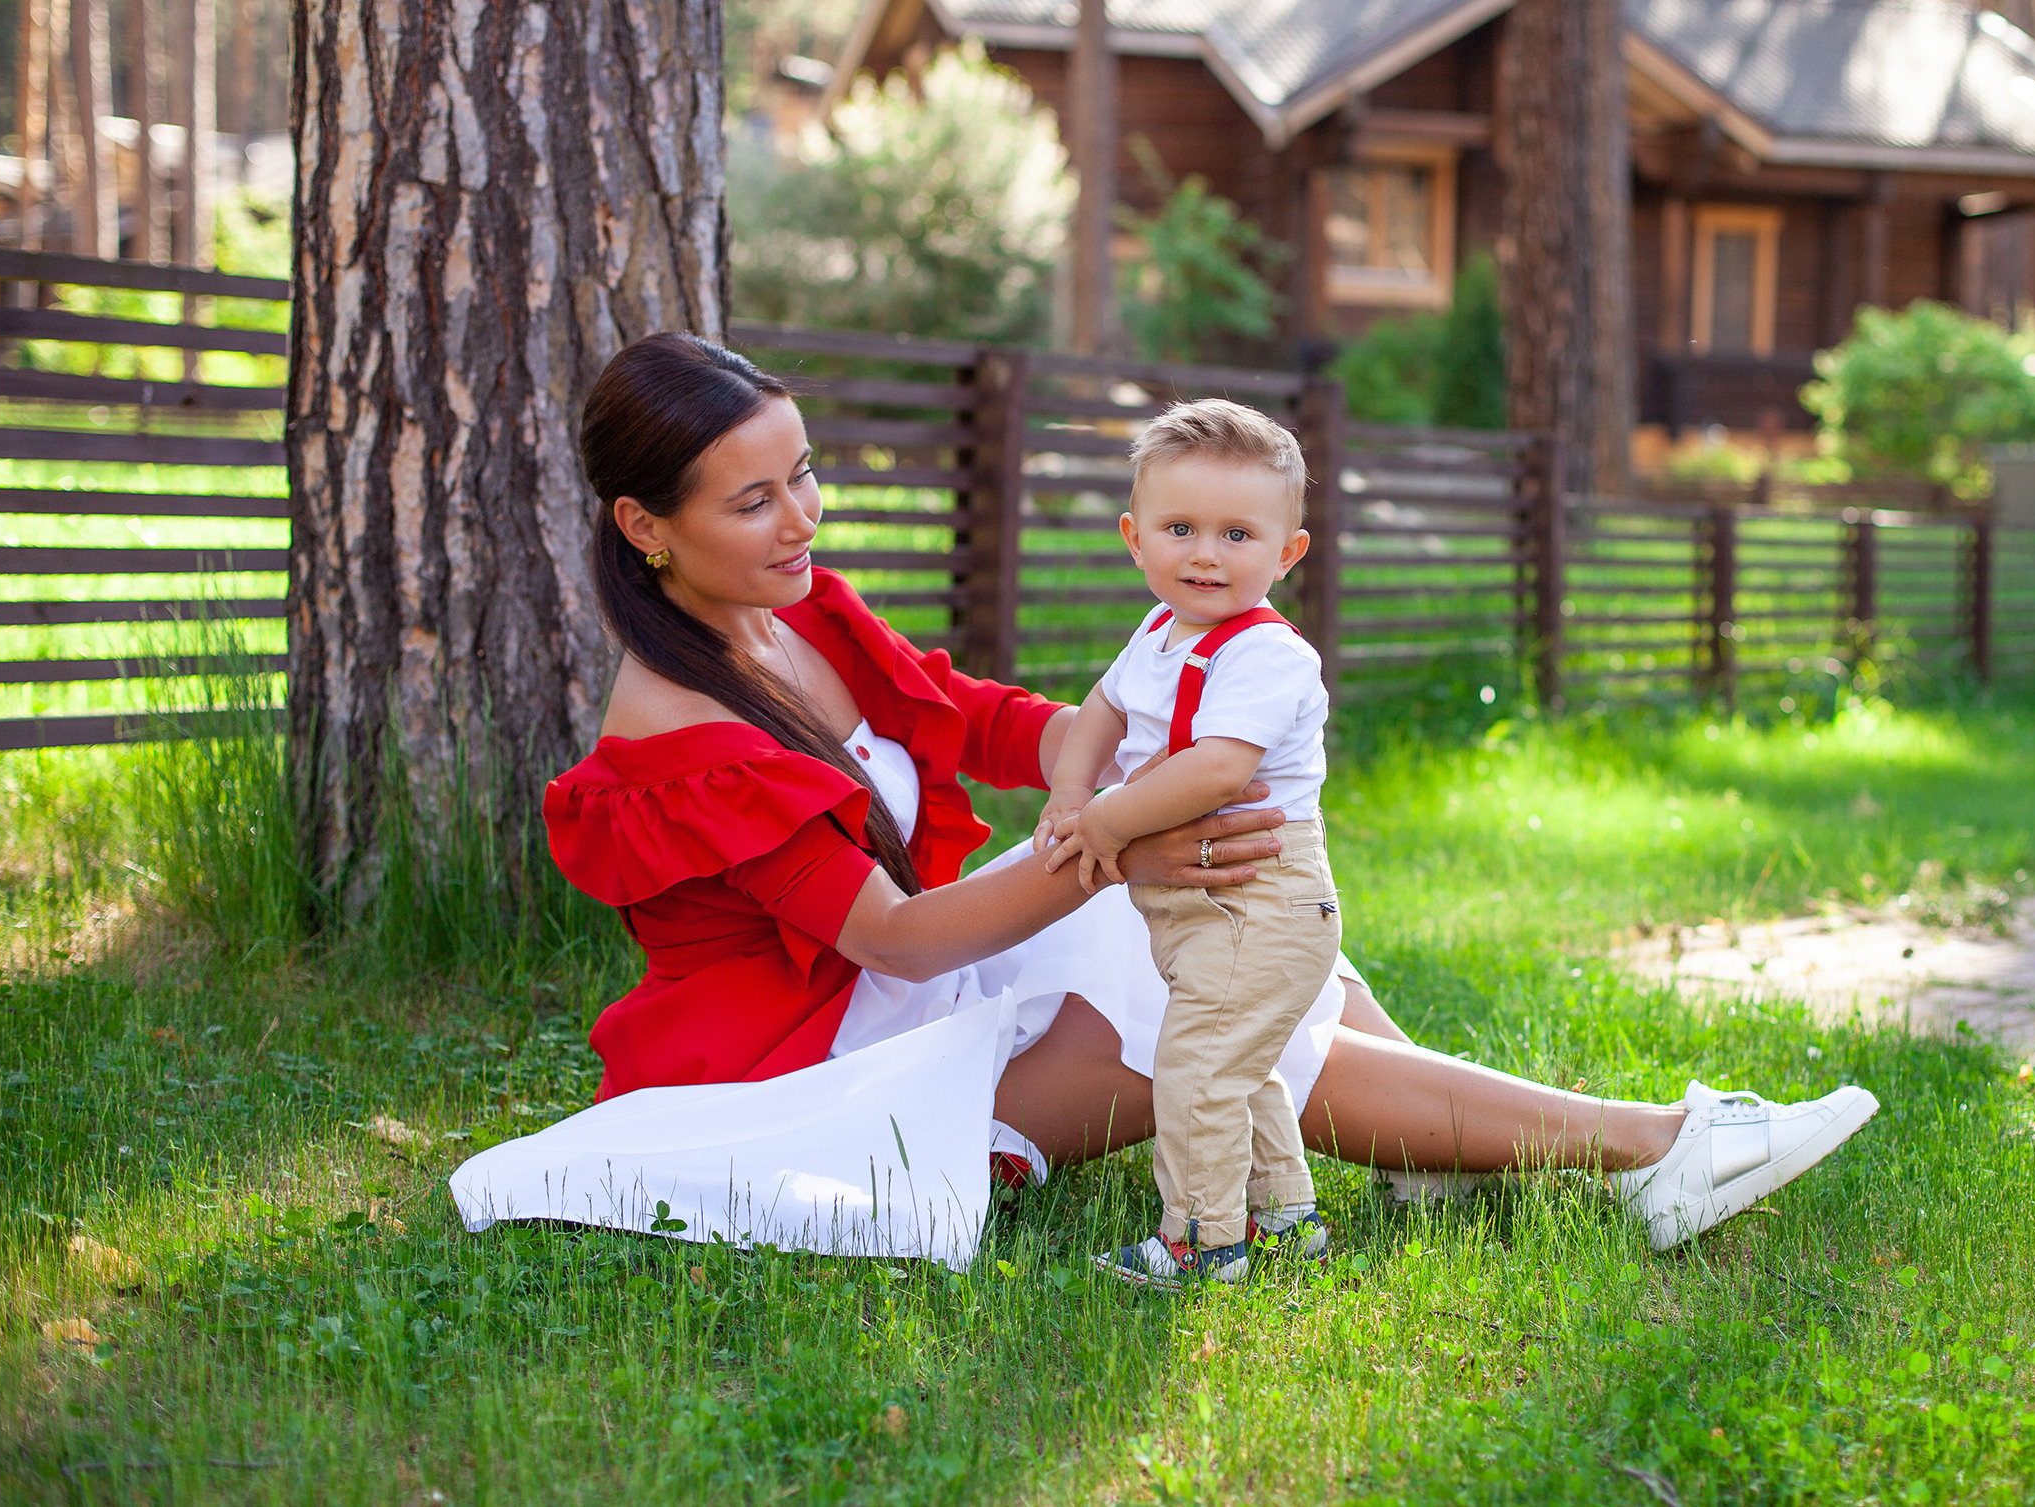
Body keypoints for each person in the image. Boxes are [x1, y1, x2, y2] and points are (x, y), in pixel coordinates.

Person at [447, 332, 1878, 1269]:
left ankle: (1502, 1151)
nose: (802, 518)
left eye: (802, 474)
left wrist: (1115, 749)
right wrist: (1128, 843)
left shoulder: (800, 615)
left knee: (1230, 932)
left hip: (925, 986)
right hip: (833, 1067)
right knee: (1197, 989)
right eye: (751, 501)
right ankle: (1658, 1144)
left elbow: (977, 717)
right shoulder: (677, 739)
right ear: (647, 526)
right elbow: (900, 937)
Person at [1036, 400, 1342, 1287]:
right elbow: (1102, 707)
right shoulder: (1160, 631)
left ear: (1287, 551)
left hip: (1260, 898)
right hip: (1205, 906)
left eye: (1237, 533)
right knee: (1234, 1065)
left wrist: (1108, 819)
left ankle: (1201, 1241)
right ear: (1136, 538)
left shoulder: (1268, 656)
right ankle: (1284, 1217)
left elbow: (1214, 771)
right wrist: (1069, 791)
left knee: (1198, 1070)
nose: (1205, 553)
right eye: (1181, 528)